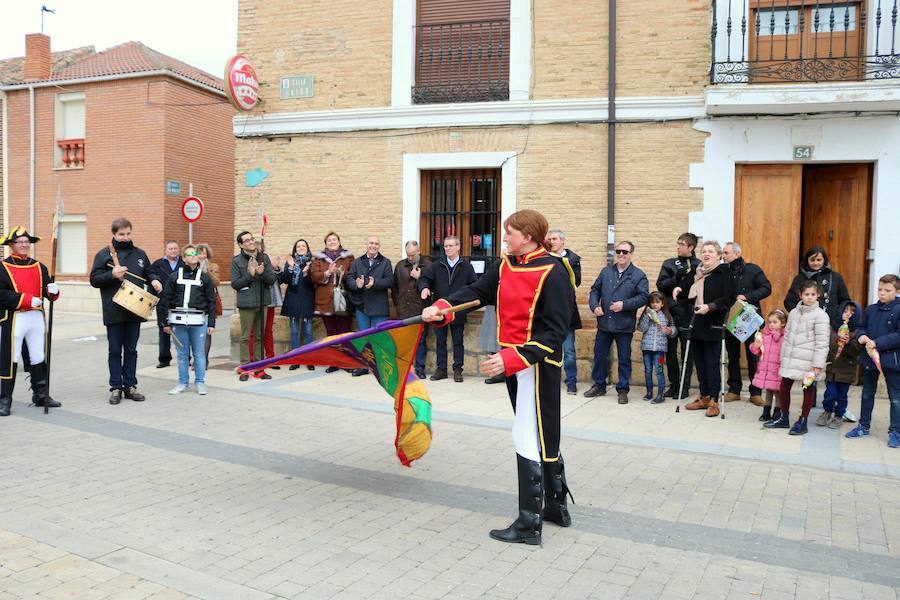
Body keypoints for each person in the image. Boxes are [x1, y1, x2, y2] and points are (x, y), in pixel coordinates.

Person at [421, 209, 573, 546]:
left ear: (529, 236)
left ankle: (529, 524)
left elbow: (556, 331)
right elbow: (477, 292)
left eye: (510, 233)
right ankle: (555, 507)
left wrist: (512, 357)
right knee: (538, 432)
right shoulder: (506, 266)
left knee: (527, 435)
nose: (505, 238)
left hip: (536, 364)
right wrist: (442, 306)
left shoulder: (554, 271)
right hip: (515, 365)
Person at [90, 218, 162, 404]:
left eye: (128, 233)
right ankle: (115, 388)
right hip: (113, 310)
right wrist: (111, 275)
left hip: (135, 310)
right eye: (121, 234)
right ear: (114, 234)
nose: (125, 237)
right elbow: (94, 279)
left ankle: (130, 386)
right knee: (115, 350)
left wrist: (154, 280)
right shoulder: (104, 254)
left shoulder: (140, 254)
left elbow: (149, 272)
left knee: (131, 350)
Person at [0, 227, 60, 417]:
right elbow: (2, 294)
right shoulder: (3, 267)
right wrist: (25, 299)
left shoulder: (39, 266)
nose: (25, 245)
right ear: (11, 245)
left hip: (36, 317)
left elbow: (47, 294)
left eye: (27, 241)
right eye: (20, 242)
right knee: (11, 358)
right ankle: (4, 399)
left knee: (38, 355)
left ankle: (40, 394)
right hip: (15, 317)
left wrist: (53, 291)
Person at [584, 241, 649, 404]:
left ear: (631, 254)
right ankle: (599, 385)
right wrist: (594, 306)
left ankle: (622, 389)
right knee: (599, 356)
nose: (621, 254)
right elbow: (595, 290)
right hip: (605, 323)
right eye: (618, 251)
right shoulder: (606, 272)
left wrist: (624, 305)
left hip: (624, 325)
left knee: (624, 359)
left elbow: (643, 297)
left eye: (625, 252)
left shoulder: (638, 275)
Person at [764, 280, 830, 435]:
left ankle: (803, 420)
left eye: (813, 294)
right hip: (791, 358)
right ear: (800, 295)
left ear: (818, 295)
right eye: (806, 294)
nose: (809, 297)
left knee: (807, 390)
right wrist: (783, 356)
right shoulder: (793, 312)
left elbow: (822, 342)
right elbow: (787, 336)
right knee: (784, 386)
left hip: (809, 361)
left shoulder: (821, 316)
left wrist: (818, 364)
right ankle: (784, 417)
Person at [677, 241, 736, 418]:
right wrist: (678, 288)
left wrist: (710, 306)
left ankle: (714, 401)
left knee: (711, 364)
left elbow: (728, 297)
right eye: (704, 251)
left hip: (713, 323)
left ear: (718, 255)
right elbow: (685, 289)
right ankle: (704, 397)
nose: (706, 254)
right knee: (700, 365)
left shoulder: (724, 272)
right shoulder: (696, 272)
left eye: (710, 251)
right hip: (696, 324)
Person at [845, 274, 900, 446]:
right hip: (870, 360)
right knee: (867, 393)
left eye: (887, 290)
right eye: (880, 289)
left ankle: (895, 432)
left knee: (896, 397)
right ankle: (863, 426)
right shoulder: (870, 310)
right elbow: (861, 327)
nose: (882, 293)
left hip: (892, 361)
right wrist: (861, 336)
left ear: (897, 291)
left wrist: (876, 343)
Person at [419, 236, 477, 382]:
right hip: (439, 311)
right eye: (446, 246)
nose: (448, 248)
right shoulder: (436, 265)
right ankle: (441, 370)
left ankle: (458, 370)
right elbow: (425, 279)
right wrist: (425, 288)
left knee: (458, 341)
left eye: (451, 246)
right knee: (440, 341)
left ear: (458, 247)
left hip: (458, 310)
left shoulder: (466, 266)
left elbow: (475, 285)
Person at [722, 242, 772, 405]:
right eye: (722, 253)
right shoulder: (723, 272)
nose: (723, 255)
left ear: (737, 254)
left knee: (753, 356)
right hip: (731, 319)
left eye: (726, 252)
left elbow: (766, 288)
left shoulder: (752, 269)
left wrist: (747, 296)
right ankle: (734, 390)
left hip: (751, 320)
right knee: (733, 355)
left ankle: (755, 392)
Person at [162, 245, 216, 395]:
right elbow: (166, 299)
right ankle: (182, 382)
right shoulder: (174, 276)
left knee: (199, 353)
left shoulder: (204, 277)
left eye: (195, 254)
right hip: (179, 322)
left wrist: (211, 323)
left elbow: (211, 300)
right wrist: (165, 322)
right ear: (184, 258)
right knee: (182, 354)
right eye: (189, 254)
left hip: (198, 322)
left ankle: (200, 382)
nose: (193, 256)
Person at [656, 233, 700, 399]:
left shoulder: (699, 264)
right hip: (672, 315)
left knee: (687, 353)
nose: (678, 247)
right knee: (671, 353)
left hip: (690, 315)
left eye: (682, 244)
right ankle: (673, 385)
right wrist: (676, 277)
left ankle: (684, 386)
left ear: (691, 247)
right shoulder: (669, 264)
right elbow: (660, 285)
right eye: (678, 243)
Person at [231, 230, 276, 381]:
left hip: (262, 302)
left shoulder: (264, 257)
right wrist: (249, 275)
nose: (251, 242)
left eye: (252, 239)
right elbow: (235, 284)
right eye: (247, 240)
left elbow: (271, 279)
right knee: (245, 337)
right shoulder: (237, 261)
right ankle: (245, 368)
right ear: (240, 244)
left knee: (259, 336)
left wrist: (261, 273)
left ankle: (259, 368)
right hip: (246, 304)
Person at [347, 236, 393, 376]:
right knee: (363, 338)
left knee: (379, 338)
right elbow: (349, 279)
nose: (373, 246)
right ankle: (364, 366)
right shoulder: (357, 262)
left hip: (379, 307)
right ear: (366, 244)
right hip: (362, 306)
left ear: (379, 246)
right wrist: (357, 284)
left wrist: (375, 283)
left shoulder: (385, 262)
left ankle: (380, 367)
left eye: (376, 243)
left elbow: (390, 281)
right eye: (371, 243)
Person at [310, 232, 355, 373]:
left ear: (339, 241)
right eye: (329, 240)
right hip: (325, 300)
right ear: (325, 243)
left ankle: (346, 362)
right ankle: (334, 362)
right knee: (331, 333)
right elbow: (313, 276)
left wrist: (342, 273)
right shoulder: (318, 258)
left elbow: (353, 274)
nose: (332, 242)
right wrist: (327, 273)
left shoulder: (348, 257)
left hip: (342, 299)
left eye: (334, 239)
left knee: (344, 332)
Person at [816, 301, 862, 430]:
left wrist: (848, 343)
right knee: (829, 394)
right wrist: (838, 338)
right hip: (832, 368)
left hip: (847, 370)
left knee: (842, 396)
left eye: (852, 312)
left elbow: (856, 351)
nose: (848, 314)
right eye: (845, 311)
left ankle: (839, 415)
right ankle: (827, 411)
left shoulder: (857, 331)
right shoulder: (833, 328)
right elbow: (828, 345)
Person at [548, 229, 583, 395]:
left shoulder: (573, 260)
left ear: (562, 241)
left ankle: (571, 381)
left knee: (569, 351)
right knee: (549, 350)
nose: (551, 242)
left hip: (566, 311)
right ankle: (550, 381)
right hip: (548, 313)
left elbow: (576, 282)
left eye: (554, 239)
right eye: (550, 239)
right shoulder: (544, 259)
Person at [392, 240, 431, 379]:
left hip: (420, 309)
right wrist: (398, 303)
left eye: (413, 255)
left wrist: (419, 278)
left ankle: (420, 369)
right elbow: (394, 287)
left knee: (420, 341)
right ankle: (406, 368)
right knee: (404, 341)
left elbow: (431, 286)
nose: (410, 258)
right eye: (408, 255)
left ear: (419, 252)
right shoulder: (400, 265)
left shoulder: (427, 265)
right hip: (403, 310)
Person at [784, 246, 851, 323]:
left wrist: (838, 315)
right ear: (807, 261)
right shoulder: (800, 278)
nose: (816, 263)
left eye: (819, 260)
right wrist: (800, 315)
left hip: (832, 323)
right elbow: (789, 302)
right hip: (806, 324)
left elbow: (845, 300)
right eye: (812, 260)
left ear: (824, 260)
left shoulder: (835, 277)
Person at [279, 239, 316, 372]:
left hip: (307, 299)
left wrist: (306, 273)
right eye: (298, 246)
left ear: (307, 248)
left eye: (303, 246)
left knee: (308, 331)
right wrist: (290, 267)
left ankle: (310, 359)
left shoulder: (312, 262)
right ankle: (295, 359)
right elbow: (284, 280)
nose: (301, 248)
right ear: (295, 249)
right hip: (293, 300)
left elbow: (315, 281)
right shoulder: (291, 261)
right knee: (294, 331)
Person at [637, 292, 677, 404]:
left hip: (660, 351)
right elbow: (641, 328)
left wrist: (669, 330)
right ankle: (649, 392)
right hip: (647, 349)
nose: (655, 305)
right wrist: (647, 317)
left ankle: (660, 394)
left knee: (659, 371)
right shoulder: (647, 315)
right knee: (648, 370)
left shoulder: (667, 316)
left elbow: (674, 330)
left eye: (657, 302)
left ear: (662, 303)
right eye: (652, 302)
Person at [748, 309, 788, 422]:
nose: (771, 325)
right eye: (769, 322)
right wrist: (756, 345)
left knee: (778, 392)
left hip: (777, 369)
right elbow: (757, 351)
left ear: (783, 323)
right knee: (769, 391)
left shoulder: (784, 338)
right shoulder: (764, 336)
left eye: (775, 322)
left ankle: (777, 411)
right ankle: (766, 412)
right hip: (766, 369)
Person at [151, 241, 184, 369]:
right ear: (165, 250)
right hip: (163, 302)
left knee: (182, 331)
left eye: (175, 248)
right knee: (164, 330)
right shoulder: (158, 264)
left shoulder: (184, 263)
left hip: (180, 301)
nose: (173, 251)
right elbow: (151, 281)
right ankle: (164, 359)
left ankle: (185, 357)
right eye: (170, 248)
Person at [249, 238, 280, 367]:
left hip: (269, 300)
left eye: (260, 248)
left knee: (267, 330)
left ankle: (270, 358)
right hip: (253, 301)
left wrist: (275, 268)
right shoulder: (246, 262)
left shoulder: (267, 260)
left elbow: (272, 279)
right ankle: (253, 359)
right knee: (253, 331)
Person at [195, 243, 221, 363]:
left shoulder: (212, 266)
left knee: (207, 332)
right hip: (194, 303)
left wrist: (206, 271)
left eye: (204, 253)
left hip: (208, 302)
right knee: (195, 333)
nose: (201, 256)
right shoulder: (190, 267)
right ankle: (197, 358)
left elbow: (216, 283)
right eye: (199, 253)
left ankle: (204, 359)